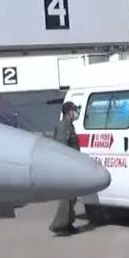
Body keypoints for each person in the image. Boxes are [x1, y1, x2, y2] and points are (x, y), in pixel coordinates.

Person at [49, 101, 81, 235]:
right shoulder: (64, 126)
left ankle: (68, 223)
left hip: (72, 164)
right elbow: (62, 147)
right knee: (67, 197)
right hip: (67, 165)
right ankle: (59, 225)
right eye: (74, 110)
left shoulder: (69, 125)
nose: (76, 113)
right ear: (68, 112)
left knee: (72, 197)